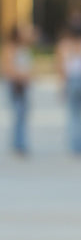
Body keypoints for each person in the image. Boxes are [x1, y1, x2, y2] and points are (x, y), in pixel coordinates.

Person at [57, 16, 81, 155]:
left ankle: (74, 145)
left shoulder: (64, 45)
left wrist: (61, 86)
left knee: (73, 115)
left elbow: (61, 67)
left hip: (72, 80)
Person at [2, 24, 34, 155]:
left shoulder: (23, 48)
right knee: (18, 113)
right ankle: (18, 144)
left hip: (23, 85)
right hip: (15, 85)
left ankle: (20, 142)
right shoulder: (9, 49)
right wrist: (20, 76)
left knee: (22, 114)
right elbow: (6, 68)